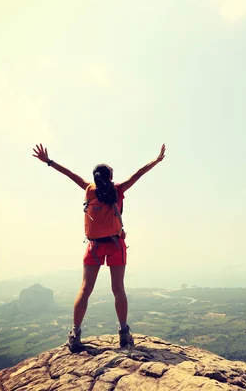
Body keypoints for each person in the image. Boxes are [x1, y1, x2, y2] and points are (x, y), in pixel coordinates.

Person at [32, 143, 166, 350]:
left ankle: (75, 333)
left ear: (95, 177)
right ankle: (123, 333)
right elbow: (139, 173)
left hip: (94, 246)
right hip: (115, 244)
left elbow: (68, 173)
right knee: (118, 289)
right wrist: (156, 160)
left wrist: (48, 161)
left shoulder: (88, 189)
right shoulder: (118, 189)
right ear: (110, 177)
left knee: (85, 289)